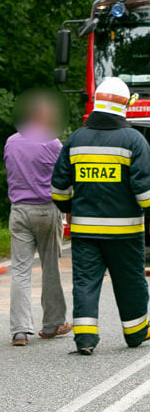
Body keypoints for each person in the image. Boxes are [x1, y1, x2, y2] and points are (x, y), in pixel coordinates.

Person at [51, 77, 150, 355]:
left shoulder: (76, 140)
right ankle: (135, 332)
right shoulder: (134, 141)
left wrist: (70, 210)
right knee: (130, 282)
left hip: (85, 233)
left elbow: (58, 190)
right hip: (126, 233)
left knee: (85, 283)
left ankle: (85, 339)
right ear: (124, 105)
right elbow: (145, 193)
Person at [4, 90, 71, 346]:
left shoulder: (11, 142)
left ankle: (20, 330)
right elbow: (65, 175)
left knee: (20, 271)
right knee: (50, 268)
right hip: (47, 209)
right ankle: (53, 323)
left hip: (19, 210)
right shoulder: (52, 143)